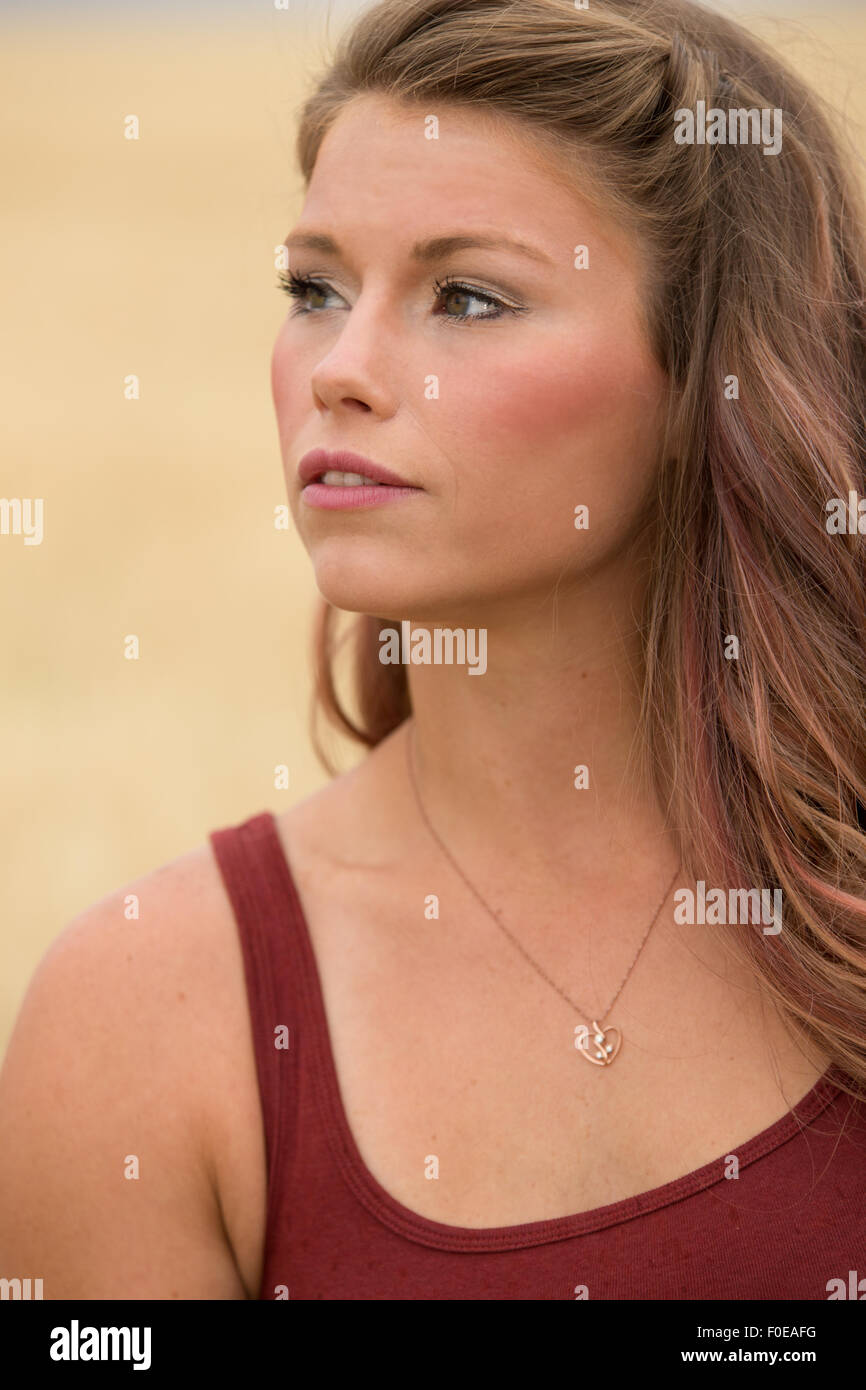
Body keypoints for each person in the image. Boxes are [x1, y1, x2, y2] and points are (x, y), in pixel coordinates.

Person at [1, 0, 865, 1301]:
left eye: (466, 296)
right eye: (313, 288)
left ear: (708, 385)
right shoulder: (150, 1019)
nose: (339, 368)